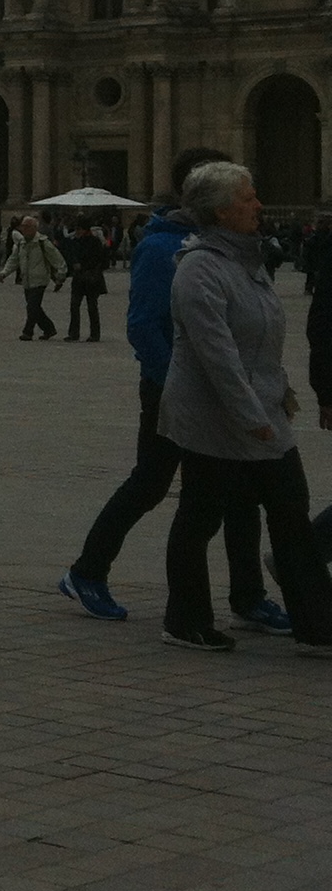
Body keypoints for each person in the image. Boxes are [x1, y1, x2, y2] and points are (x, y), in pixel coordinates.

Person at [61, 194, 278, 627]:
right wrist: (174, 384)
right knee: (151, 483)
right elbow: (143, 325)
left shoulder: (225, 246)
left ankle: (249, 596)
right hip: (174, 390)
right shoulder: (163, 250)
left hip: (221, 388)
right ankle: (86, 572)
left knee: (239, 492)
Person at [156, 159, 332, 653]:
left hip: (259, 413)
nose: (259, 204)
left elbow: (261, 343)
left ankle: (318, 624)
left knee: (290, 514)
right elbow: (218, 359)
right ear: (221, 211)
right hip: (213, 420)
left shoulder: (244, 263)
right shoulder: (199, 270)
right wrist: (254, 419)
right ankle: (185, 620)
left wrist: (281, 395)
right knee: (200, 517)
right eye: (249, 197)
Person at [0, 214, 66, 340]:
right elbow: (14, 260)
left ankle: (27, 332)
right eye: (22, 226)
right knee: (35, 307)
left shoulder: (42, 242)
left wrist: (62, 272)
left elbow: (56, 258)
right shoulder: (21, 243)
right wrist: (5, 272)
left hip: (40, 279)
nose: (23, 229)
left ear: (33, 228)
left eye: (26, 226)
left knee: (32, 306)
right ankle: (49, 328)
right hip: (27, 280)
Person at [64, 222, 111, 342]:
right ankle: (74, 333)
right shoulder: (75, 241)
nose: (77, 231)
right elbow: (71, 255)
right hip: (79, 277)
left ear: (86, 230)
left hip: (91, 277)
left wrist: (84, 265)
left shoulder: (94, 242)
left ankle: (94, 334)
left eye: (79, 229)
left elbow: (101, 260)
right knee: (74, 305)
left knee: (92, 306)